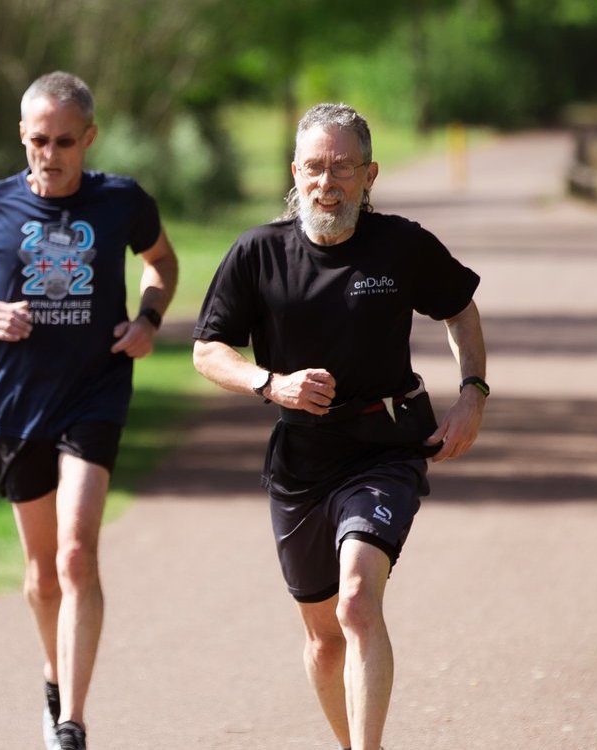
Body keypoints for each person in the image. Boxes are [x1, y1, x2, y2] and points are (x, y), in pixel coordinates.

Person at [190, 103, 487, 750]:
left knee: (357, 603)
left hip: (385, 447)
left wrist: (472, 395)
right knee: (324, 639)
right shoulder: (259, 252)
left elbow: (460, 311)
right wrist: (272, 384)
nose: (329, 183)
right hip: (302, 461)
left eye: (344, 168)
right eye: (316, 168)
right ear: (296, 173)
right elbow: (207, 351)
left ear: (369, 174)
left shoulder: (401, 245)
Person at [0, 70, 178, 750]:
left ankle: (70, 721)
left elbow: (160, 260)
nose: (50, 153)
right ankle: (54, 674)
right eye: (38, 140)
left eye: (64, 141)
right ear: (22, 136)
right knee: (42, 572)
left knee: (76, 554)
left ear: (89, 138)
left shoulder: (121, 201)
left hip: (96, 391)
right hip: (18, 402)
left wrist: (148, 319)